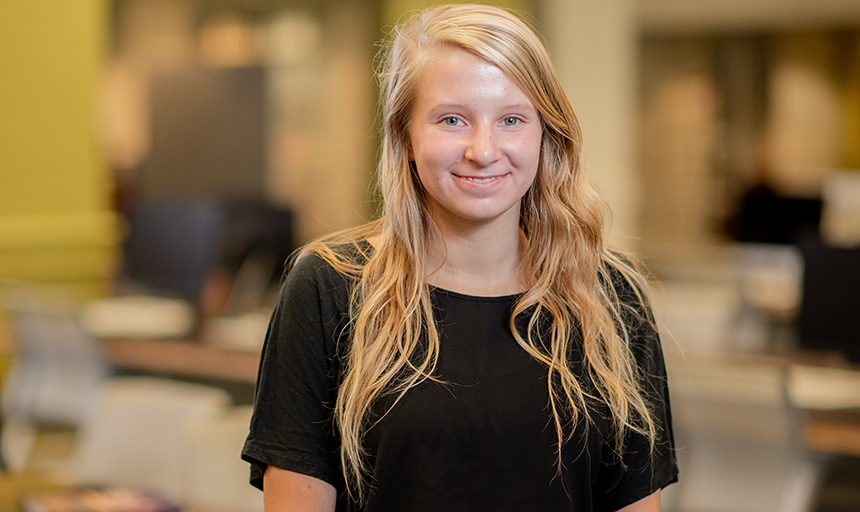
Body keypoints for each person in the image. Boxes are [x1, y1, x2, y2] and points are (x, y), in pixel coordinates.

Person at [242, 4, 678, 511]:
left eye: (512, 119)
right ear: (405, 135)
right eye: (452, 119)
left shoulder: (611, 299)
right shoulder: (329, 288)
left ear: (545, 133)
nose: (483, 149)